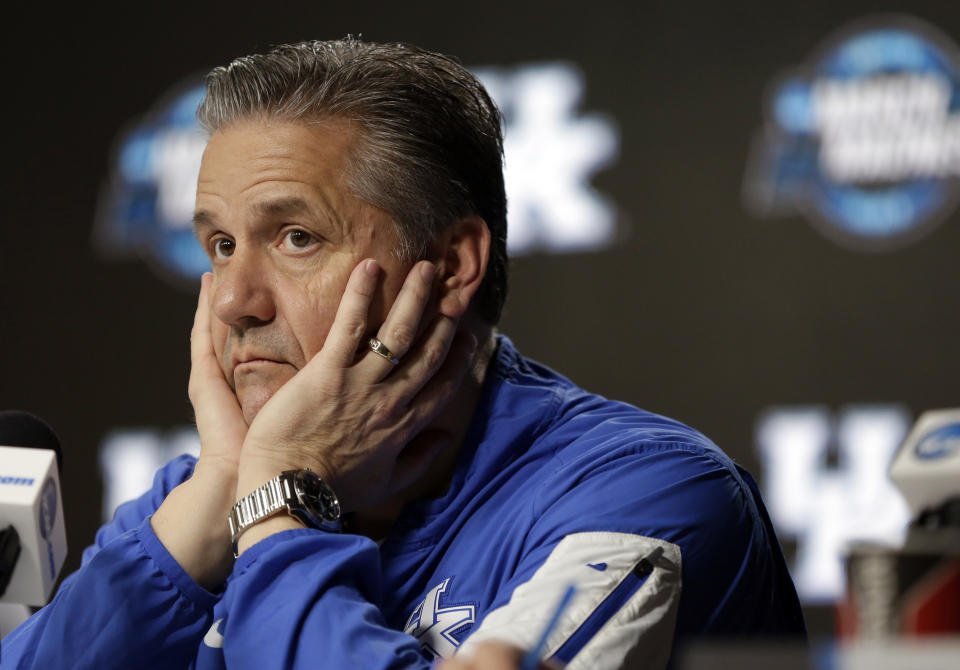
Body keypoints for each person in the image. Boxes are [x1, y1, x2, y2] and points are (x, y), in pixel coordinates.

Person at [2, 38, 804, 669]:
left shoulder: (645, 495)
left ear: (453, 266)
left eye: (296, 237)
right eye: (219, 244)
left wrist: (280, 507)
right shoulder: (215, 492)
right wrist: (227, 493)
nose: (236, 300)